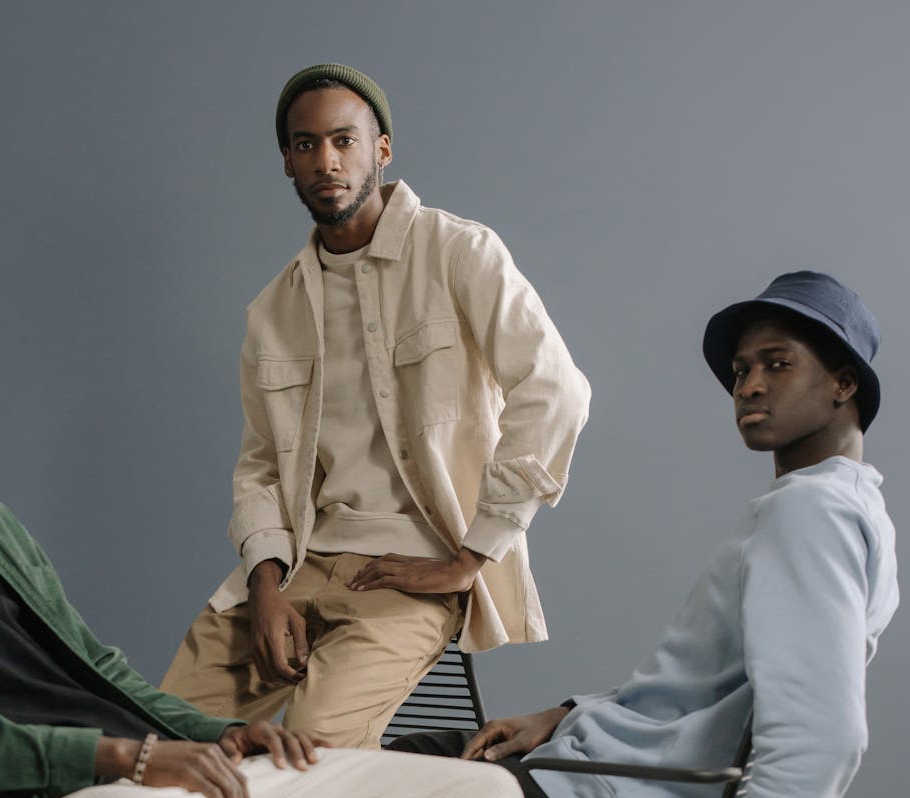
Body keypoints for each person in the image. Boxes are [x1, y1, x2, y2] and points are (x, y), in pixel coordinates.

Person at [0, 279, 533, 798]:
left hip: (165, 769)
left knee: (482, 797)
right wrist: (123, 757)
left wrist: (225, 733)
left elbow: (92, 666)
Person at [389, 271, 899, 798]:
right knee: (382, 761)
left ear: (843, 383)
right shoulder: (849, 510)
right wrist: (564, 715)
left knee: (349, 781)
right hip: (590, 773)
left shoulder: (813, 513)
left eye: (777, 364)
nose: (750, 386)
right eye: (740, 371)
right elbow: (704, 687)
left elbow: (822, 734)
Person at [160, 62, 591, 748]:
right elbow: (261, 468)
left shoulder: (458, 253)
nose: (326, 161)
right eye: (306, 146)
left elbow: (555, 388)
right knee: (155, 733)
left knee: (312, 749)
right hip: (298, 566)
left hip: (407, 574)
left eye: (343, 140)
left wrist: (473, 554)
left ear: (381, 148)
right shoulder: (273, 310)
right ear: (287, 163)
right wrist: (265, 586)